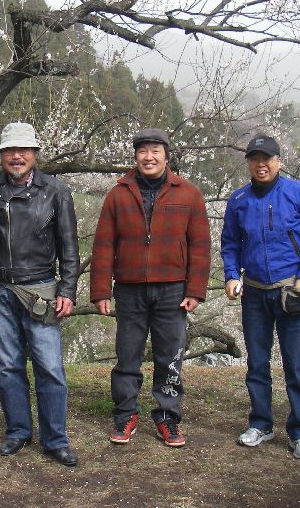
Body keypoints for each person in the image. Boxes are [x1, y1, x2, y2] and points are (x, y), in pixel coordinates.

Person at [0, 122, 80, 467]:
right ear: (1, 155)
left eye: (24, 150)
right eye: (10, 151)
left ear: (35, 154)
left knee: (50, 366)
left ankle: (55, 439)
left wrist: (68, 289)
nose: (17, 156)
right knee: (7, 365)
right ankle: (17, 431)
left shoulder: (56, 191)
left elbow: (69, 247)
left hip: (42, 288)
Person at [90, 128, 211, 447]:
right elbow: (104, 245)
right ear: (135, 156)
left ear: (166, 156)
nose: (149, 157)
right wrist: (101, 290)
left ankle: (168, 417)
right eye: (143, 151)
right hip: (129, 289)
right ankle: (125, 413)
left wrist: (195, 289)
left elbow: (200, 245)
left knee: (170, 355)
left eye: (155, 151)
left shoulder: (189, 193)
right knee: (127, 355)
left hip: (173, 289)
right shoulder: (118, 194)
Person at [221, 134, 300, 460]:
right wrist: (231, 275)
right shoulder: (238, 199)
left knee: (295, 364)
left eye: (266, 158)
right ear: (248, 163)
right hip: (254, 292)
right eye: (254, 159)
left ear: (278, 161)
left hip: (290, 290)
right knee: (256, 363)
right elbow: (230, 242)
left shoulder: (298, 192)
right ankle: (261, 423)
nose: (260, 164)